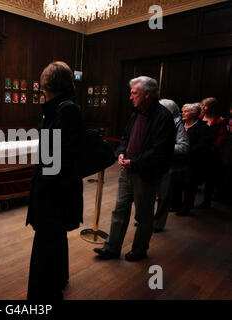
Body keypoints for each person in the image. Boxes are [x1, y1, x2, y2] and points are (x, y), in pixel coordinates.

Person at [94, 76, 175, 262]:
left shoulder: (163, 117)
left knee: (144, 215)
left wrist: (134, 163)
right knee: (119, 210)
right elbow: (126, 138)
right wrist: (121, 153)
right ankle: (112, 248)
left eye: (134, 93)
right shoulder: (136, 113)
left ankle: (139, 249)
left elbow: (159, 151)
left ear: (147, 94)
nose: (131, 97)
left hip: (145, 174)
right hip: (127, 171)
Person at [26, 61, 84, 300]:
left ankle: (44, 296)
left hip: (54, 194)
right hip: (57, 191)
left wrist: (41, 193)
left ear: (49, 84)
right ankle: (57, 280)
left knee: (47, 244)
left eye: (43, 82)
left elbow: (55, 161)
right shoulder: (61, 107)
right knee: (55, 240)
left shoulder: (64, 110)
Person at [152, 99, 189, 231]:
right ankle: (146, 220)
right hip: (153, 163)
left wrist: (164, 148)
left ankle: (157, 224)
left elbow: (184, 147)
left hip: (169, 166)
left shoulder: (177, 124)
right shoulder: (156, 120)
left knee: (163, 196)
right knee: (149, 194)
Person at [177, 103, 213, 216]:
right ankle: (176, 204)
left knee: (189, 184)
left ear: (193, 114)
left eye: (186, 111)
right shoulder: (180, 124)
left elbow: (203, 146)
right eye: (183, 111)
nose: (183, 113)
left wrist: (186, 150)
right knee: (177, 182)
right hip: (179, 159)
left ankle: (186, 206)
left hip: (194, 161)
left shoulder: (203, 128)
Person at [199, 97, 228, 207]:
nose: (203, 107)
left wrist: (213, 146)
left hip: (211, 152)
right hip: (199, 150)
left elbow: (221, 137)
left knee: (210, 178)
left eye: (205, 105)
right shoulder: (200, 117)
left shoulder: (219, 121)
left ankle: (207, 201)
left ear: (212, 107)